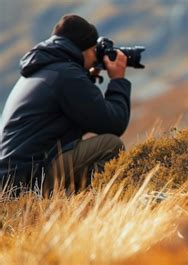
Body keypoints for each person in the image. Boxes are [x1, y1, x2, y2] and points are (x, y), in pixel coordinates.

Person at [0, 14, 131, 195]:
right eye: (94, 51)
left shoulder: (43, 69)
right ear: (82, 49)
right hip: (28, 182)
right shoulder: (66, 74)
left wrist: (86, 77)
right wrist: (118, 80)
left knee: (83, 148)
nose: (95, 58)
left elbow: (73, 120)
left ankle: (70, 204)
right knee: (110, 146)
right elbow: (114, 123)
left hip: (13, 180)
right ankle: (96, 207)